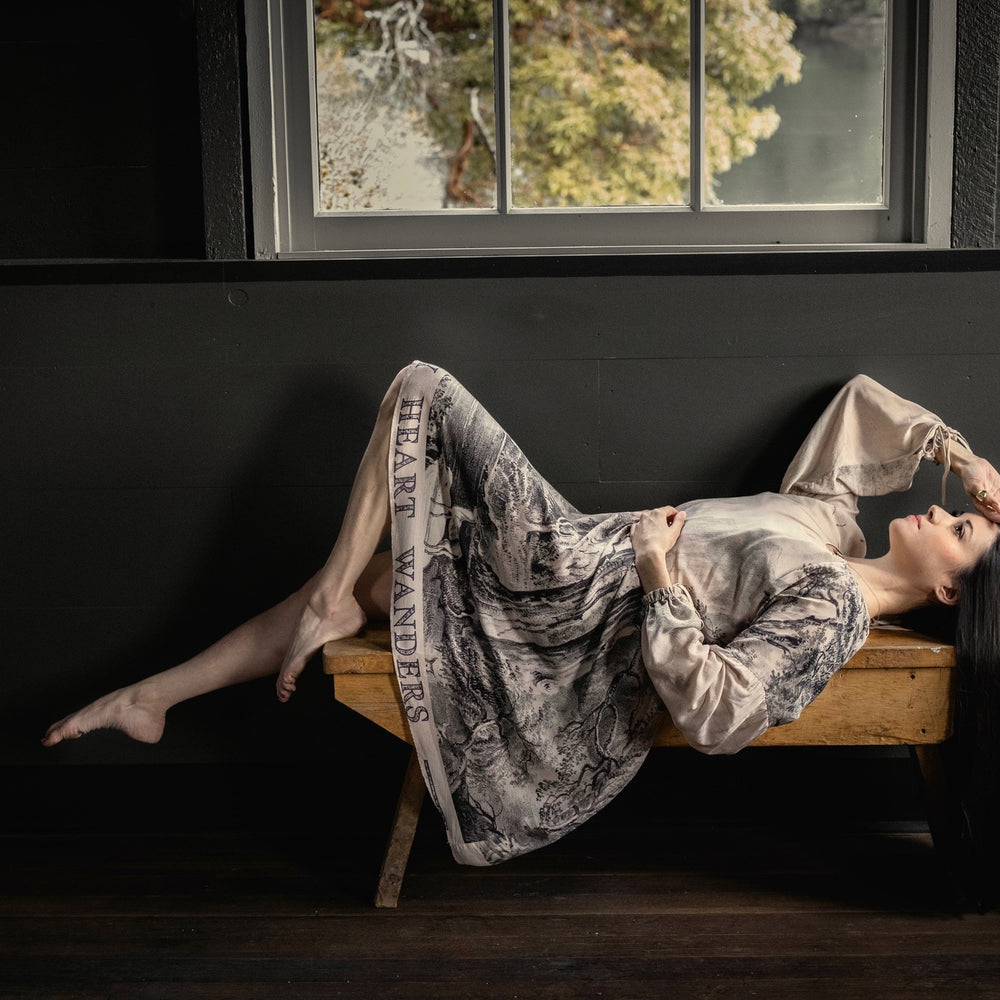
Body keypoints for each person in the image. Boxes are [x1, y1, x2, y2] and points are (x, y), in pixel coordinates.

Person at [42, 362, 1000, 870]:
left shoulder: (835, 607)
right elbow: (862, 400)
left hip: (583, 601)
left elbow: (724, 712)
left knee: (423, 388)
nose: (937, 512)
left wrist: (663, 570)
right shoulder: (831, 522)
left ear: (951, 590)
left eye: (957, 530)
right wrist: (961, 458)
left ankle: (326, 602)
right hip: (579, 553)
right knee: (374, 580)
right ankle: (149, 697)